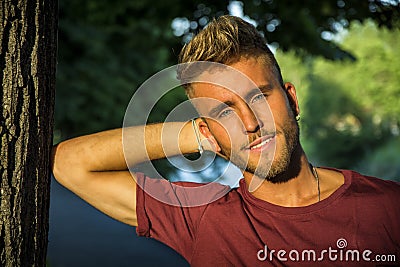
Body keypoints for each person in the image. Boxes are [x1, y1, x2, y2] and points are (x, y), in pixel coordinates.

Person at [52, 15, 400, 266]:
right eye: (225, 113)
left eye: (259, 98)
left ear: (291, 99)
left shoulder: (387, 208)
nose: (250, 123)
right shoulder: (203, 219)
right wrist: (202, 134)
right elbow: (69, 163)